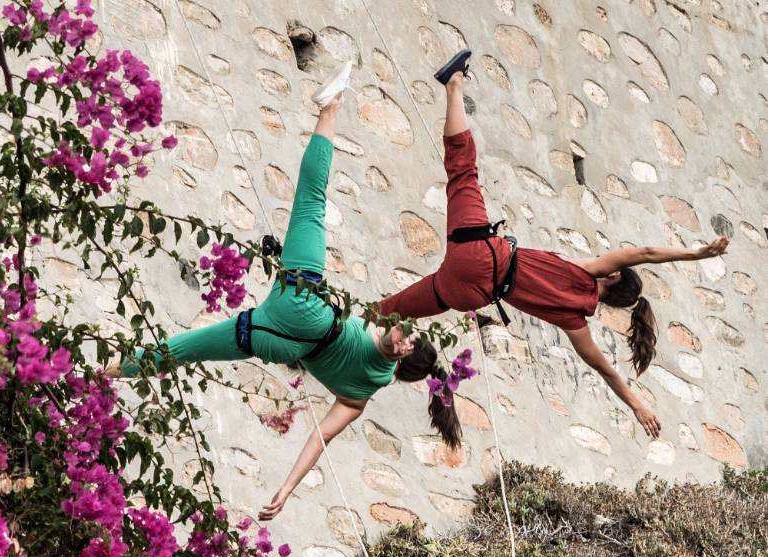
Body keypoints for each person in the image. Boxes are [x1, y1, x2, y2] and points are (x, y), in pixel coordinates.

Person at [112, 62, 451, 520]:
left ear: (404, 354)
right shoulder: (361, 394)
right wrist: (286, 490)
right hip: (264, 338)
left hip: (306, 307)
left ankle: (330, 106)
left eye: (407, 340)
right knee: (179, 352)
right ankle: (107, 373)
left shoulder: (379, 353)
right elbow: (319, 437)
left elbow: (387, 337)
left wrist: (403, 332)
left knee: (311, 201)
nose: (402, 335)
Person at [378, 48, 729, 442]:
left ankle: (455, 82)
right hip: (466, 293)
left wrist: (696, 253)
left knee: (463, 168)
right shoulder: (576, 321)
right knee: (386, 312)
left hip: (480, 255)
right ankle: (327, 343)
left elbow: (645, 253)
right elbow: (607, 371)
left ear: (612, 275)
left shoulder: (587, 271)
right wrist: (638, 405)